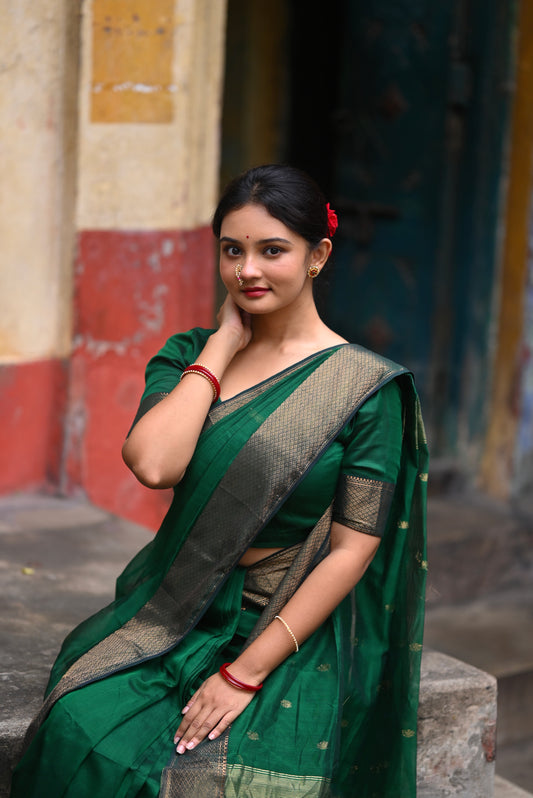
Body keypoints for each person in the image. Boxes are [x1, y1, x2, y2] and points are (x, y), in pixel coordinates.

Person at [10, 164, 428, 798]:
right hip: (176, 603)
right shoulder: (189, 354)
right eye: (233, 250)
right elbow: (154, 465)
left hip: (285, 625)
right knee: (78, 725)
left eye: (272, 251)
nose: (247, 270)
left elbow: (353, 549)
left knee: (240, 777)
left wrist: (244, 674)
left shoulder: (366, 391)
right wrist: (222, 346)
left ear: (318, 256)